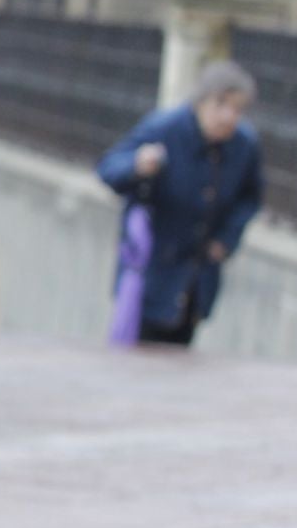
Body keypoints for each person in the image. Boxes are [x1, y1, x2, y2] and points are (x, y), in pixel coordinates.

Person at [96, 60, 264, 347]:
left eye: (237, 109)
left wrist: (226, 239)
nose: (228, 117)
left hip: (197, 277)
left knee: (178, 353)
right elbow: (109, 168)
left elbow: (250, 198)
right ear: (200, 102)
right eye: (220, 104)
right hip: (152, 270)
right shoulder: (166, 128)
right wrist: (138, 164)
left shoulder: (244, 144)